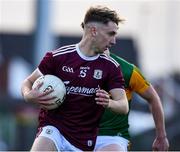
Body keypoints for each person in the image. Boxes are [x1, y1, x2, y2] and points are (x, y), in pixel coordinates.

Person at [21, 6, 129, 151]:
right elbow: (28, 82)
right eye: (111, 34)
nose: (114, 41)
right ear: (93, 31)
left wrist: (108, 102)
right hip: (53, 130)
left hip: (83, 140)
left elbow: (123, 105)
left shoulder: (110, 66)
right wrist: (29, 96)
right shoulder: (58, 57)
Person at [95, 50, 169, 151]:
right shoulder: (73, 63)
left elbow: (153, 98)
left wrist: (161, 136)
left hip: (113, 136)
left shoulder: (128, 70)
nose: (112, 41)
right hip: (78, 134)